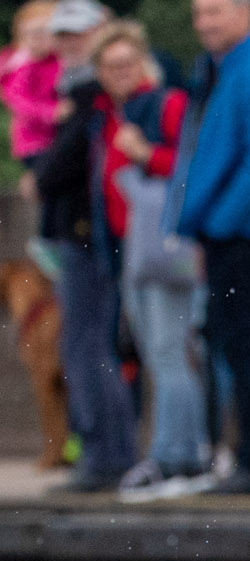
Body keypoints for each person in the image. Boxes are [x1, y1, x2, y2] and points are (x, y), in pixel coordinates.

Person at [171, 0, 250, 498]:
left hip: (238, 233)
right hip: (223, 232)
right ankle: (246, 458)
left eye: (215, 11)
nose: (205, 24)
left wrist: (217, 223)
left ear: (246, 12)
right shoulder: (222, 71)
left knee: (244, 349)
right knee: (232, 346)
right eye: (199, 14)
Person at [91, 20, 204, 501]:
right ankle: (173, 453)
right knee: (157, 353)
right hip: (129, 251)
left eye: (127, 62)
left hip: (164, 251)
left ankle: (176, 456)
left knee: (169, 351)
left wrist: (147, 154)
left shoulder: (166, 105)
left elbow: (191, 168)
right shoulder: (112, 113)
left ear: (143, 63)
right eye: (110, 65)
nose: (120, 72)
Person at [30, 0, 129, 495]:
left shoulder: (92, 95)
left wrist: (42, 174)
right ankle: (105, 452)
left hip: (85, 236)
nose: (67, 43)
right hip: (80, 234)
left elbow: (55, 170)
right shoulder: (76, 92)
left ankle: (104, 455)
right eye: (61, 35)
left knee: (86, 345)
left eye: (77, 34)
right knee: (89, 344)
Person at [2, 2, 60, 176]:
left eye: (44, 32)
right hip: (34, 142)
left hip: (54, 137)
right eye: (33, 34)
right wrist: (51, 113)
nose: (39, 39)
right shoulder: (21, 67)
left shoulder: (55, 60)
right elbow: (20, 104)